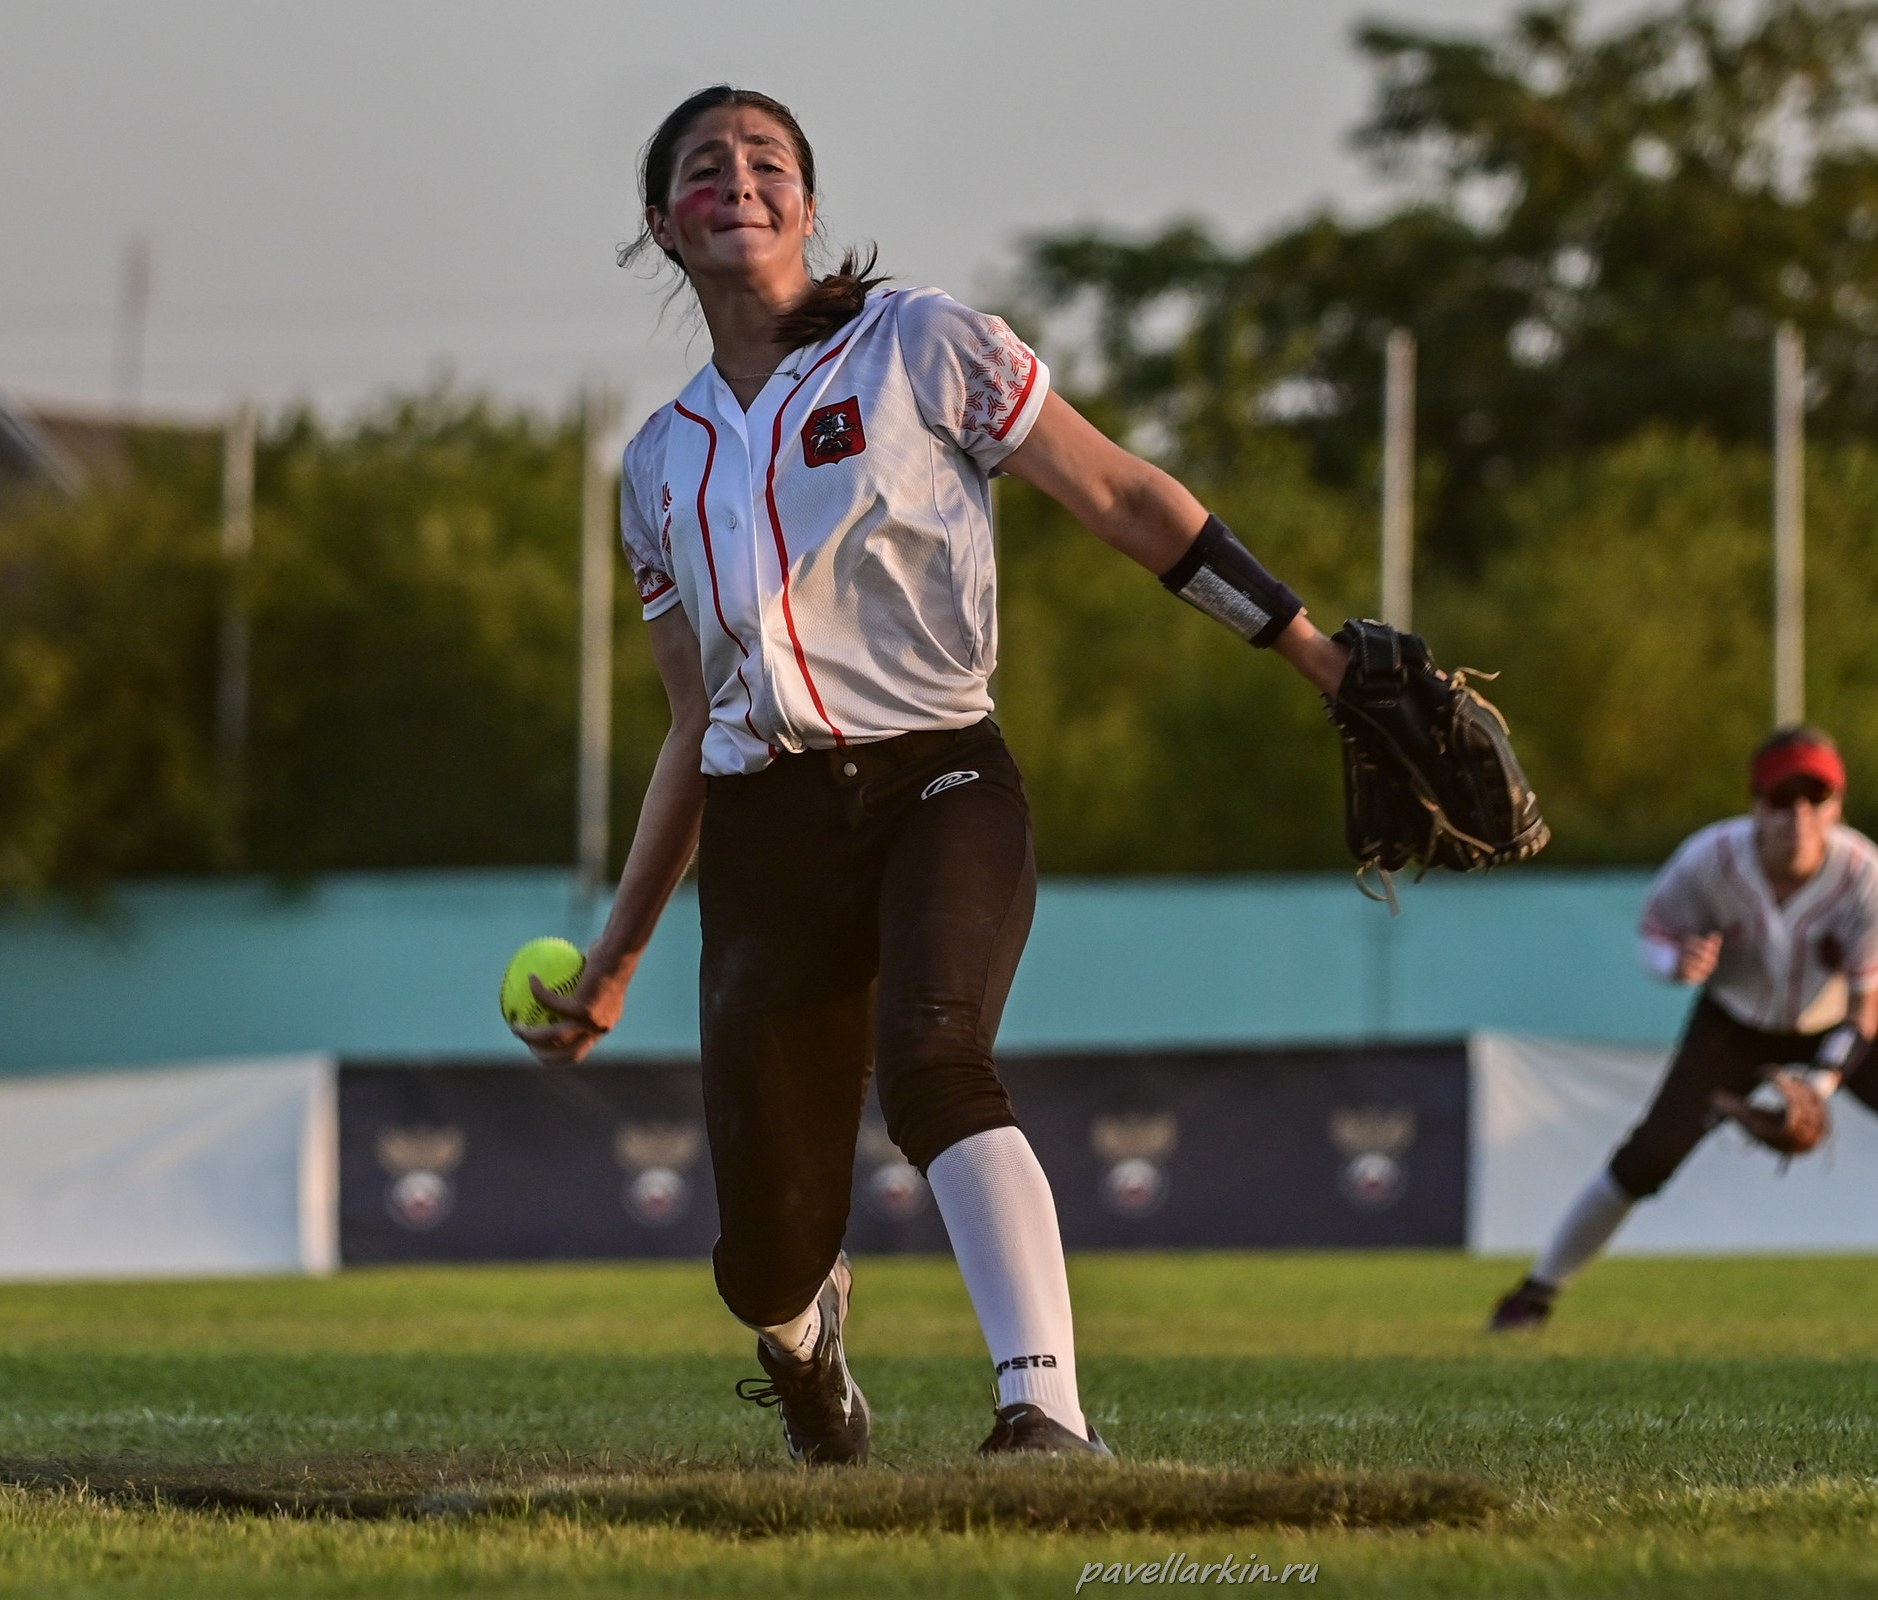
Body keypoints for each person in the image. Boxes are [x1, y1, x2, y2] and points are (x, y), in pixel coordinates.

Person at [511, 85, 1352, 1462]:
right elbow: (689, 726)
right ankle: (808, 1346)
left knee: (935, 1060)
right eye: (705, 167)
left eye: (769, 160)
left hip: (941, 777)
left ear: (809, 205)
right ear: (664, 224)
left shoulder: (921, 344)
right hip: (768, 822)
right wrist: (614, 961)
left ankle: (1045, 1414)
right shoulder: (657, 464)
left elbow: (1126, 498)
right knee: (765, 1258)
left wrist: (1309, 648)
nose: (741, 177)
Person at [1488, 726, 1878, 1332]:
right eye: (1781, 799)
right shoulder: (1709, 860)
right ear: (1755, 804)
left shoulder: (1865, 874)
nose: (1799, 815)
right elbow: (1655, 935)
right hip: (1737, 1021)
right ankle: (1534, 1293)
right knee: (1649, 1155)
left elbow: (1866, 1007)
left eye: (1815, 798)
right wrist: (1675, 964)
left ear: (1838, 806)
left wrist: (1820, 1084)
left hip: (1838, 1022)